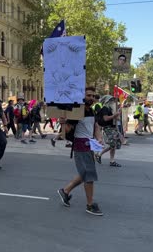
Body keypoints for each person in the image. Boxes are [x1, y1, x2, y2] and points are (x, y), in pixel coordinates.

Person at [57, 87, 104, 216]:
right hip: (80, 145)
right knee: (89, 175)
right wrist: (63, 122)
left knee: (85, 173)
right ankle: (90, 205)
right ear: (82, 96)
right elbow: (66, 130)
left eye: (93, 96)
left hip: (90, 144)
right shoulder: (77, 111)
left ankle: (65, 191)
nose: (91, 98)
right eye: (89, 95)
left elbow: (95, 126)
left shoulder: (91, 111)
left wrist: (99, 138)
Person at [95, 95, 122, 167]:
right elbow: (105, 118)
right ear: (107, 101)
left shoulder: (111, 109)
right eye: (111, 100)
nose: (113, 102)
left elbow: (116, 119)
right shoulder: (105, 108)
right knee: (113, 144)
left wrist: (117, 115)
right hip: (108, 128)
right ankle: (100, 155)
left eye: (113, 100)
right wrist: (114, 115)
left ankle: (111, 160)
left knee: (114, 144)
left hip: (112, 128)